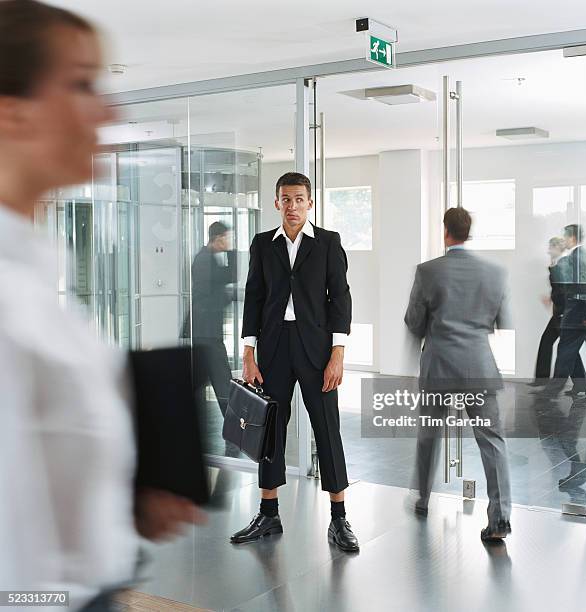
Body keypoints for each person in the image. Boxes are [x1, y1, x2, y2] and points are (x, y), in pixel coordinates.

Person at [0, 2, 202, 610]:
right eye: (82, 84)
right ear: (11, 113)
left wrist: (127, 493)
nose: (111, 111)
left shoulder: (35, 269)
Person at [230, 172, 359, 552]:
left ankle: (339, 519)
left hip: (317, 351)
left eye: (299, 199)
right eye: (285, 200)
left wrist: (338, 353)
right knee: (269, 431)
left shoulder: (328, 244)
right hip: (273, 350)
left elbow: (341, 299)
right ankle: (268, 513)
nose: (292, 206)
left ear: (310, 203)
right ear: (276, 203)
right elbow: (253, 299)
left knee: (327, 429)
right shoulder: (262, 245)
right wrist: (249, 353)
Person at [405, 207, 513, 542]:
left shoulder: (428, 271)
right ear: (469, 231)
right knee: (492, 442)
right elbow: (502, 321)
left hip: (439, 367)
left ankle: (422, 499)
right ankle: (499, 518)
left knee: (429, 436)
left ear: (446, 232)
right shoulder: (494, 273)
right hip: (479, 367)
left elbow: (413, 322)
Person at [190, 221, 236, 418]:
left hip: (205, 330)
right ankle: (233, 422)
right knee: (221, 377)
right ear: (217, 239)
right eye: (226, 238)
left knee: (217, 377)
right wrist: (231, 252)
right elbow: (230, 275)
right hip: (206, 331)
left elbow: (214, 288)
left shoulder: (206, 258)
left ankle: (231, 420)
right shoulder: (204, 260)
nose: (228, 242)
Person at [542, 224, 586, 398]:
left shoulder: (574, 258)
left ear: (572, 238)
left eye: (565, 237)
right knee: (575, 350)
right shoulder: (583, 256)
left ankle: (553, 390)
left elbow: (574, 286)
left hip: (577, 310)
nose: (563, 240)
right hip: (583, 310)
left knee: (565, 350)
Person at [530, 237, 568, 385]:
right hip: (560, 313)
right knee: (554, 345)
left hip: (562, 314)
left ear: (557, 248)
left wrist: (551, 298)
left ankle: (543, 380)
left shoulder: (561, 266)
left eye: (551, 247)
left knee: (564, 348)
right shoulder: (558, 265)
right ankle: (542, 379)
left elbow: (561, 290)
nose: (548, 250)